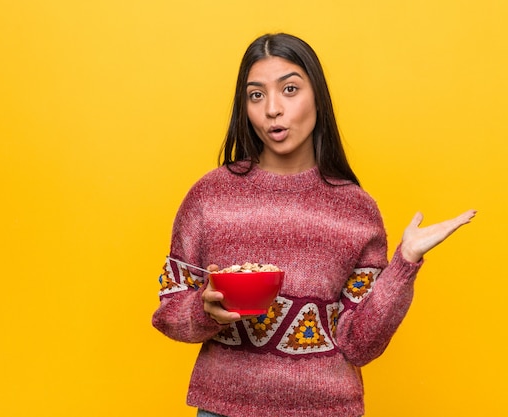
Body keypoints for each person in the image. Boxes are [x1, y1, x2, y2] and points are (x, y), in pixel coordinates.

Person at [152, 33, 476, 417]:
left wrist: (404, 262)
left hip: (327, 410)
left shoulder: (356, 210)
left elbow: (360, 345)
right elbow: (169, 314)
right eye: (256, 95)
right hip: (224, 409)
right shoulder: (210, 197)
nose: (273, 109)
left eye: (289, 89)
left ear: (317, 97)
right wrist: (203, 310)